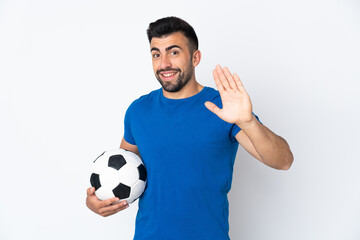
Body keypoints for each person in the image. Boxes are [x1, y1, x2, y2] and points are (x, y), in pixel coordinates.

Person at [86, 16, 293, 240]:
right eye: (156, 54)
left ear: (195, 57)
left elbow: (283, 161)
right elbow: (121, 170)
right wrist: (96, 201)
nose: (164, 63)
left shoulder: (222, 107)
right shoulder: (138, 111)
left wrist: (248, 122)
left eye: (173, 52)